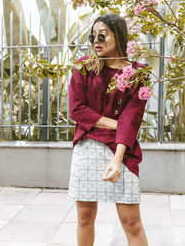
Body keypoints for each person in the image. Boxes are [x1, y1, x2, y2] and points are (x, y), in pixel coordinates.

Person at [67, 13, 149, 246]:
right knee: (84, 217)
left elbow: (132, 118)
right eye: (93, 36)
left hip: (121, 150)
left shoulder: (138, 74)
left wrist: (117, 159)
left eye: (102, 35)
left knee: (131, 222)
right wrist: (115, 123)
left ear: (118, 36)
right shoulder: (84, 67)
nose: (96, 41)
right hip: (87, 146)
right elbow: (77, 110)